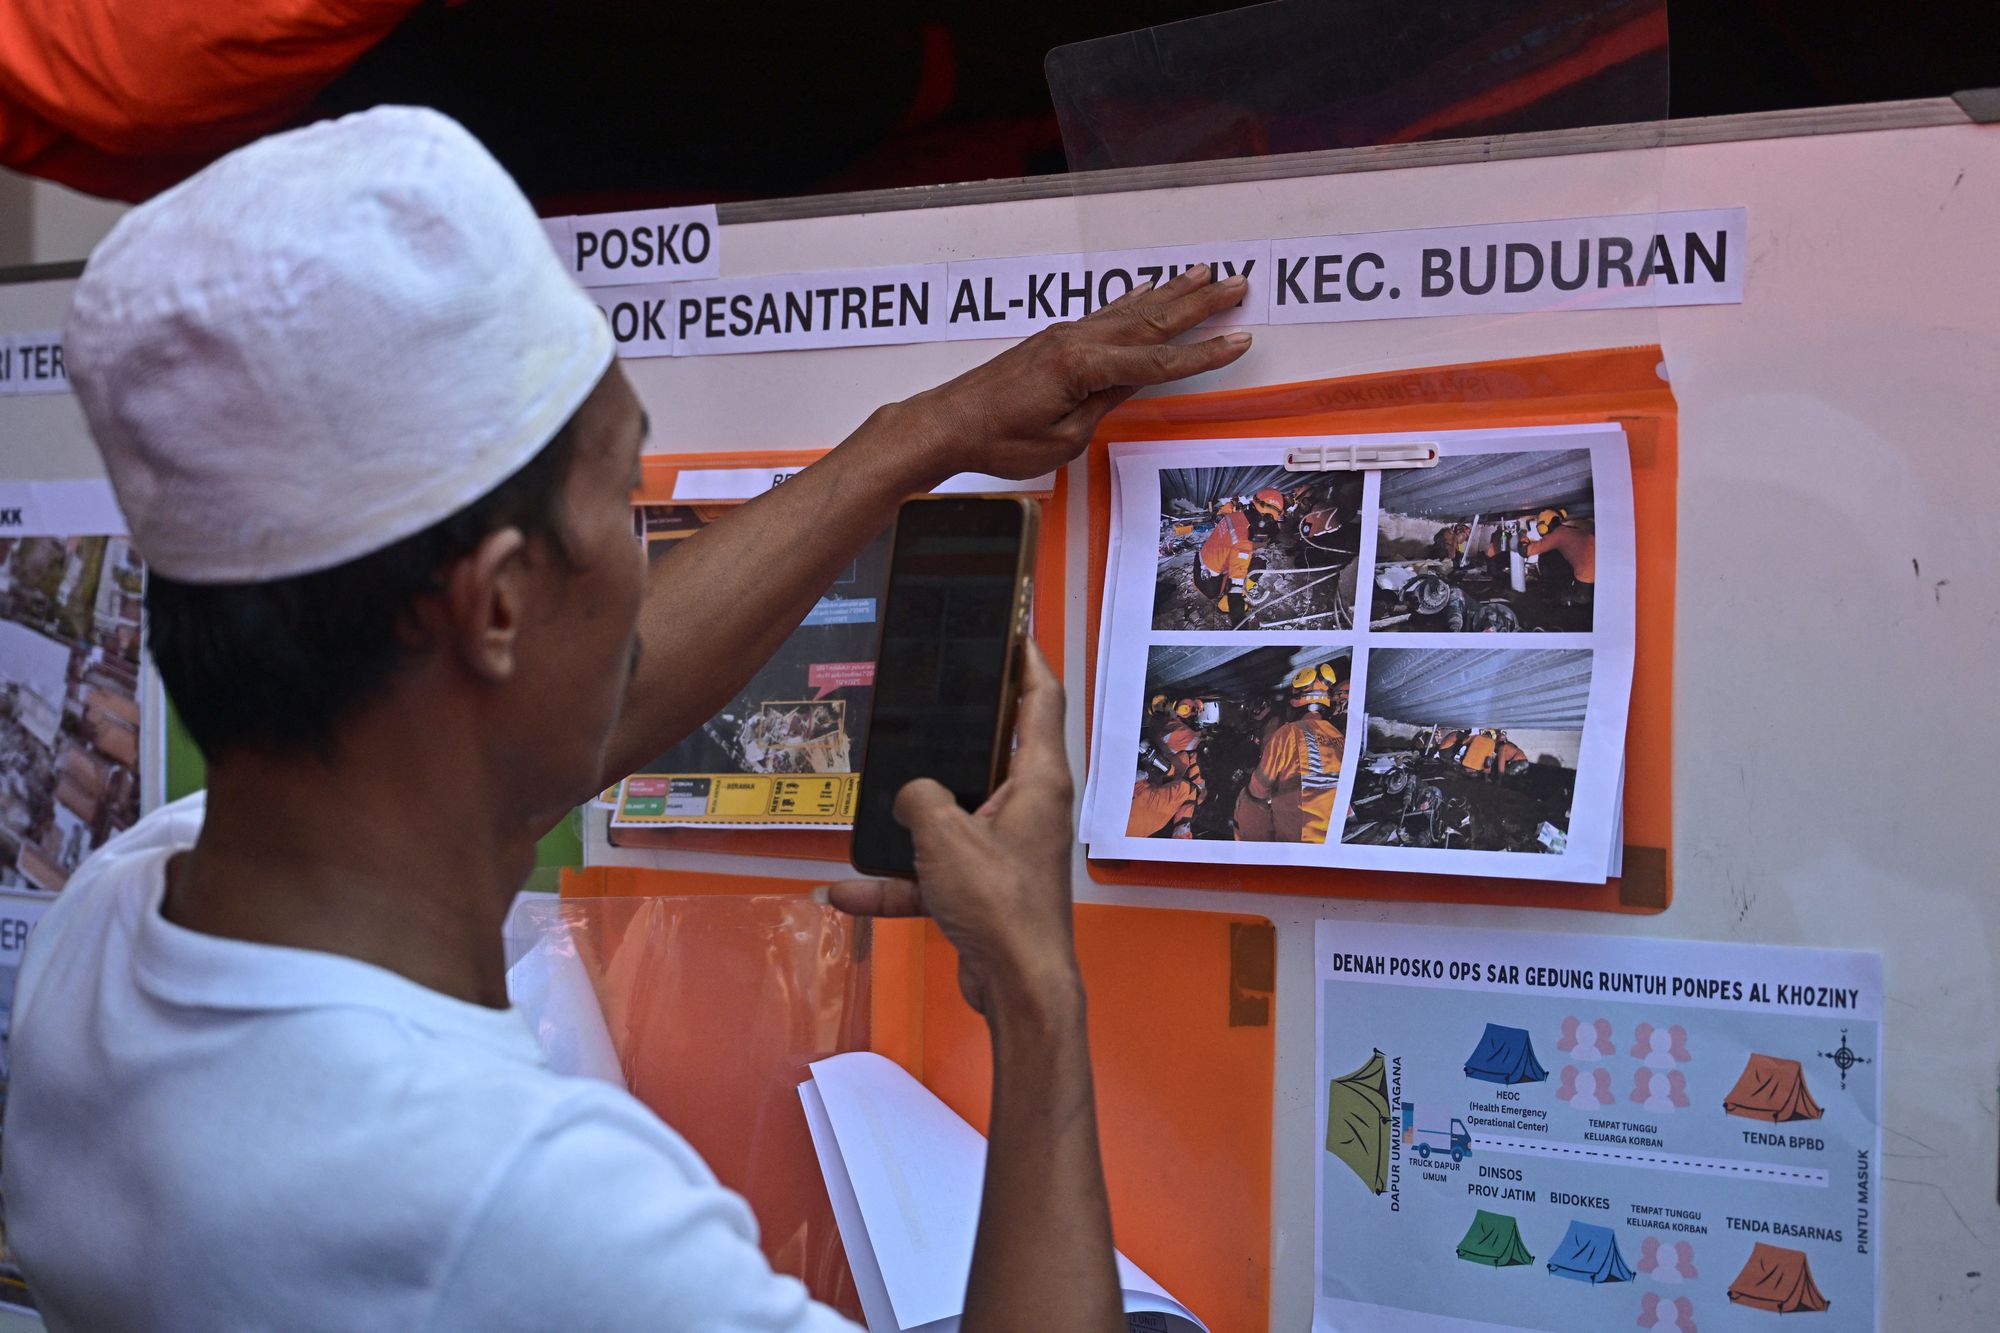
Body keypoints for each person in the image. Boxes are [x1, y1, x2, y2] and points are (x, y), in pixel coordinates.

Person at [2, 107, 1253, 1331]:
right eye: (621, 496)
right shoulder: (520, 1207)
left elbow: (556, 706)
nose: (639, 563)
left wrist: (910, 443)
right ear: (496, 603)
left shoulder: (115, 926)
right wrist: (1035, 991)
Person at [1234, 662, 1344, 843]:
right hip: (1332, 838)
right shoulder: (1339, 736)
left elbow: (1258, 790)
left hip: (1298, 839)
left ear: (1296, 702)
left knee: (1246, 802)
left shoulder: (1289, 732)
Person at [1127, 696, 1205, 838]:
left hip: (1142, 799)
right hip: (1139, 822)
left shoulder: (1168, 727)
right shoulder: (1176, 731)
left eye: (1187, 710)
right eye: (1183, 709)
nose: (1187, 714)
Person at [1526, 506, 1596, 602]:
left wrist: (1523, 537)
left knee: (1578, 598)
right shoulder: (1570, 529)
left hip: (1586, 573)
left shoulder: (1556, 535)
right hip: (1598, 568)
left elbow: (1527, 551)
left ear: (1543, 527)